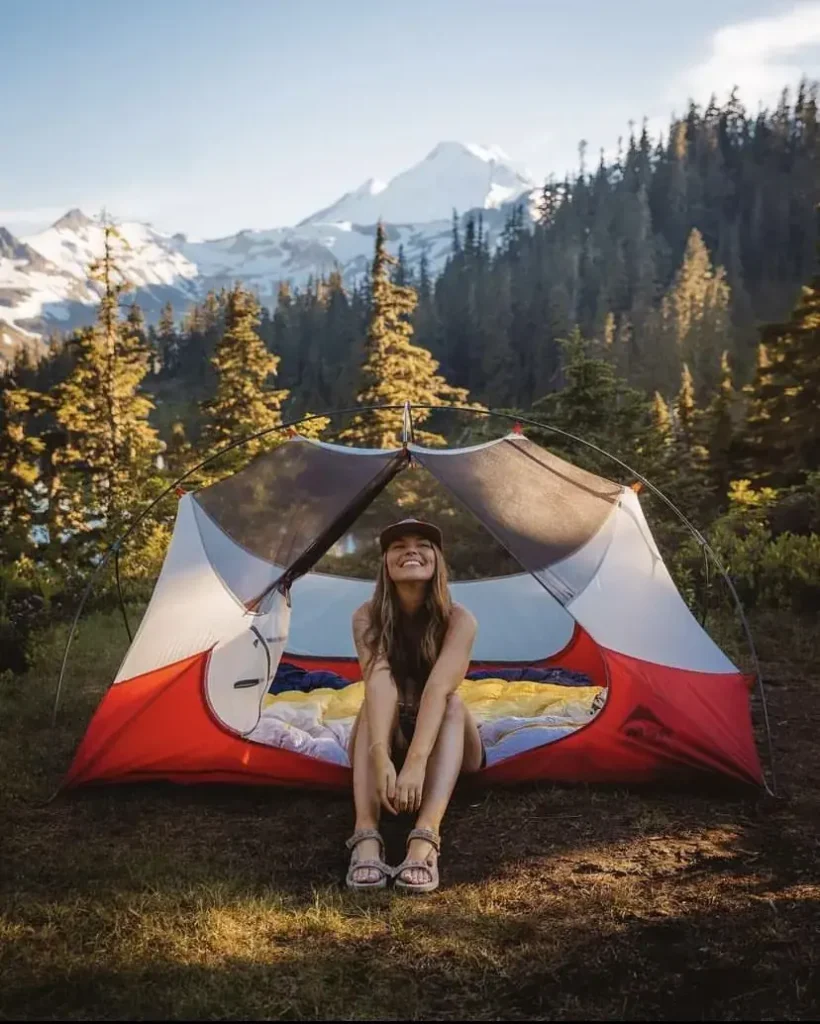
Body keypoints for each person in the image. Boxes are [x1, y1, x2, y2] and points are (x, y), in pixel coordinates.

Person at [345, 518, 484, 893]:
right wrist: (379, 754)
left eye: (423, 544)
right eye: (398, 546)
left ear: (437, 559)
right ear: (385, 564)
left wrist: (416, 762)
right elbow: (378, 682)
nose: (411, 550)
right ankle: (366, 834)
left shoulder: (459, 619)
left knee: (453, 703)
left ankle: (425, 837)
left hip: (445, 736)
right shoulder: (366, 617)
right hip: (390, 732)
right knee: (367, 706)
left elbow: (438, 688)